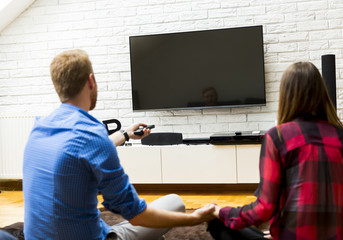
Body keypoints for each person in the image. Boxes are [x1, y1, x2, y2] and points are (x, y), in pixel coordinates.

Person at [23, 49, 215, 240]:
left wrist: (126, 134)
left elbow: (83, 150)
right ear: (91, 81)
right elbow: (137, 215)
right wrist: (194, 218)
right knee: (174, 202)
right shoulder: (92, 134)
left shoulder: (39, 129)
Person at [207, 62, 343, 240]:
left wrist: (221, 211)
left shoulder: (278, 137)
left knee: (218, 223)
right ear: (322, 93)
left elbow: (264, 209)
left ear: (286, 95)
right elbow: (341, 203)